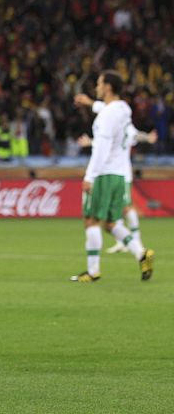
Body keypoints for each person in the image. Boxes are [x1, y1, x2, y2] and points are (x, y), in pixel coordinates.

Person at [69, 71, 153, 282]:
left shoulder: (106, 116)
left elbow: (102, 149)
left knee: (91, 220)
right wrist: (90, 103)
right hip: (119, 175)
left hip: (104, 174)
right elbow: (107, 109)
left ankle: (93, 271)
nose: (96, 87)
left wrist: (90, 176)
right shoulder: (123, 109)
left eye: (99, 83)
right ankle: (140, 253)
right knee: (111, 222)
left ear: (107, 87)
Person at [74, 95, 157, 254]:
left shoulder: (120, 123)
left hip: (119, 172)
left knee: (123, 209)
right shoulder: (119, 119)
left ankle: (137, 243)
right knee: (112, 217)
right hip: (116, 172)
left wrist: (148, 138)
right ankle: (126, 243)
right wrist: (89, 103)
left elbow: (110, 142)